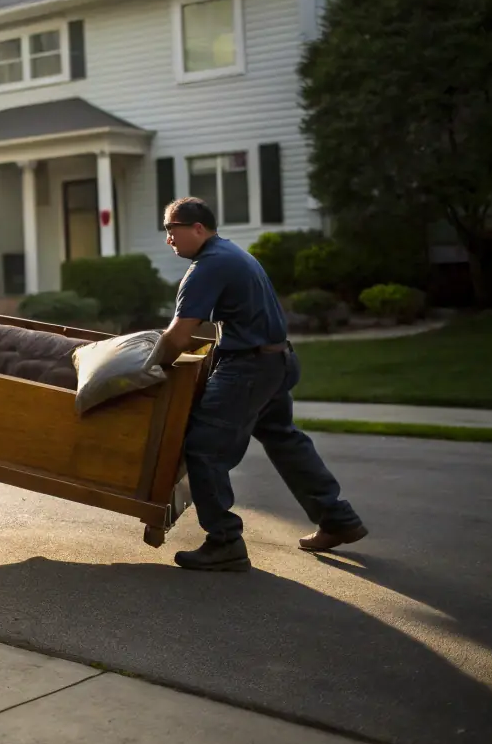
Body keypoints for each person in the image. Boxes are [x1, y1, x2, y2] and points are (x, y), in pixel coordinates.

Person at [152, 197, 367, 572]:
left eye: (173, 229)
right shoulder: (230, 254)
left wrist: (149, 369)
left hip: (250, 367)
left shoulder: (208, 266)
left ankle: (224, 542)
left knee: (204, 448)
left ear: (197, 228)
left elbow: (179, 335)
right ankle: (337, 519)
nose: (168, 239)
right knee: (284, 439)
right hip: (276, 359)